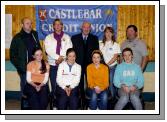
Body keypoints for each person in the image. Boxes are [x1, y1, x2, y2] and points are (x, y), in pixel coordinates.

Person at [10, 17, 41, 98]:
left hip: (35, 68)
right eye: (27, 23)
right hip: (24, 69)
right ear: (22, 25)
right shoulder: (17, 37)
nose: (30, 25)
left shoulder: (35, 34)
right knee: (25, 91)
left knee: (35, 88)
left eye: (31, 23)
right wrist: (20, 66)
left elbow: (39, 49)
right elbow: (12, 55)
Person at [44, 18, 72, 107]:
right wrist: (57, 58)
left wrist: (61, 59)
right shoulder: (48, 37)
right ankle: (55, 104)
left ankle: (62, 103)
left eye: (59, 24)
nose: (57, 26)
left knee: (63, 85)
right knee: (54, 85)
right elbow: (48, 50)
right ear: (53, 26)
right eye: (56, 24)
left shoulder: (67, 37)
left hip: (64, 65)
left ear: (62, 26)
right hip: (53, 65)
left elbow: (69, 49)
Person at [71, 21, 99, 108]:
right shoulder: (74, 38)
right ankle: (80, 102)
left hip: (90, 66)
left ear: (90, 29)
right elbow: (72, 52)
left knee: (90, 84)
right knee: (78, 84)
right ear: (81, 28)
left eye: (88, 27)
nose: (86, 29)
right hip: (78, 66)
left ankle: (88, 102)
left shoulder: (94, 38)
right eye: (84, 27)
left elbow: (96, 52)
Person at [100, 26, 121, 98]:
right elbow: (100, 56)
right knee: (105, 84)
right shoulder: (101, 44)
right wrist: (103, 66)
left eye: (110, 32)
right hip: (103, 68)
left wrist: (107, 65)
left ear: (112, 34)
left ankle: (113, 101)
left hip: (112, 68)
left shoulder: (116, 45)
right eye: (106, 32)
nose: (108, 34)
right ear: (104, 34)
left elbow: (115, 57)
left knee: (111, 84)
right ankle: (107, 100)